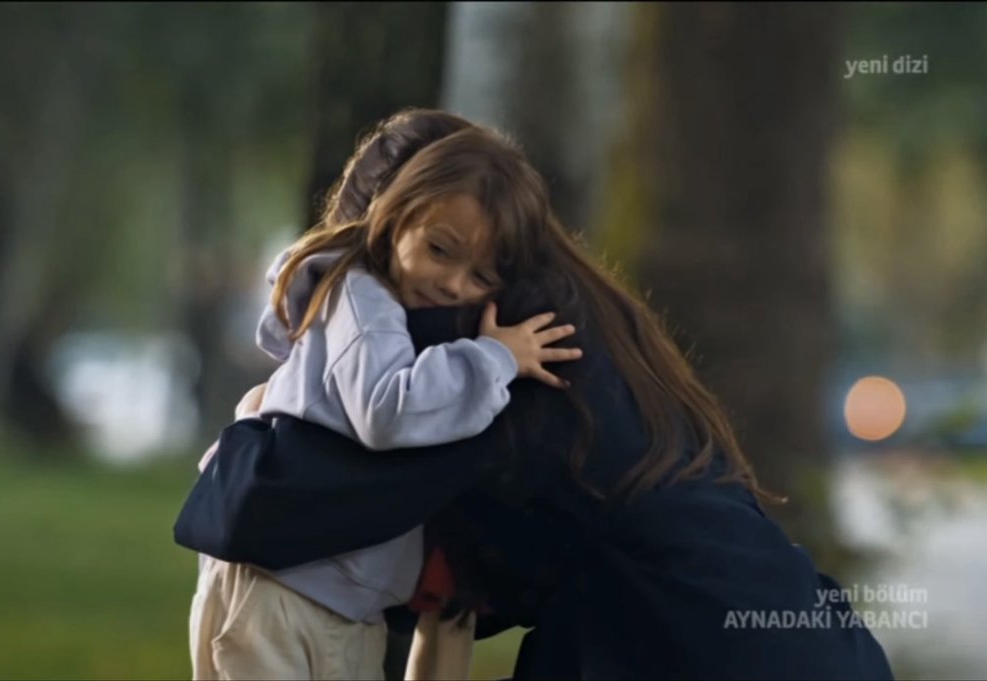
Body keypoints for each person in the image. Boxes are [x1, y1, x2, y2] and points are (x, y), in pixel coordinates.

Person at [175, 126, 896, 680]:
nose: (450, 284)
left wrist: (261, 423)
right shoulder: (589, 337)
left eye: (475, 265)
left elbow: (259, 506)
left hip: (675, 637)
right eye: (436, 253)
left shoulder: (514, 351)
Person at [187, 109, 583, 681]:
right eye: (441, 250)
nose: (453, 284)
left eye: (481, 278)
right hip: (288, 592)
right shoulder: (360, 298)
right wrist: (496, 359)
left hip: (323, 595)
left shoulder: (379, 307)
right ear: (396, 216)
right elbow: (388, 410)